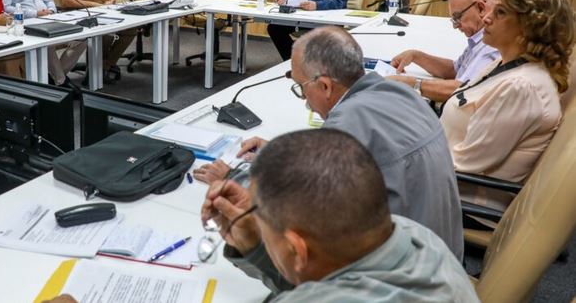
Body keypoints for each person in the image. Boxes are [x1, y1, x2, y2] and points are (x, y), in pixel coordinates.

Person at [194, 26, 463, 260]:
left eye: (301, 88)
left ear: (324, 86)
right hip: (443, 262)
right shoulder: (402, 93)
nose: (304, 100)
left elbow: (296, 206)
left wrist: (233, 178)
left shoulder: (346, 128)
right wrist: (280, 153)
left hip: (399, 279)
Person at [200, 129, 478, 302]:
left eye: (263, 226)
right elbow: (318, 277)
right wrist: (255, 244)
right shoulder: (418, 236)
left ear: (297, 248)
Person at [441, 0, 575, 213]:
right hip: (446, 179)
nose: (486, 17)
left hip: (461, 203)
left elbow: (463, 165)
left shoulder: (521, 88)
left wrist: (404, 162)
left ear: (530, 26)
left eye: (500, 12)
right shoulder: (507, 63)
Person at [387, 0, 500, 102]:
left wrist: (413, 84)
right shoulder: (479, 38)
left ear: (481, 8)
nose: (455, 26)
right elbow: (454, 70)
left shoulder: (492, 44)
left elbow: (463, 90)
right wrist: (416, 56)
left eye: (457, 17)